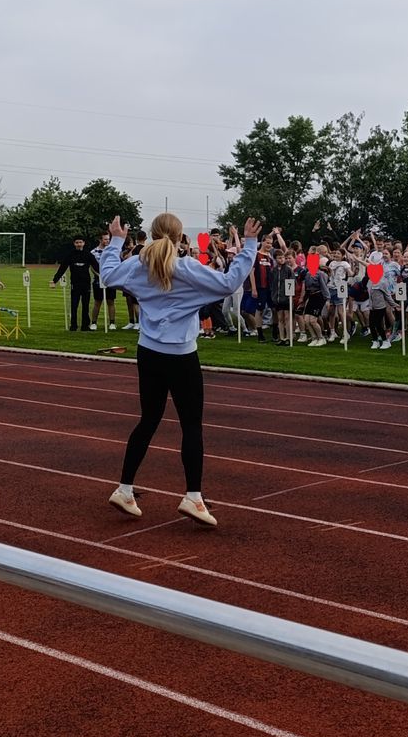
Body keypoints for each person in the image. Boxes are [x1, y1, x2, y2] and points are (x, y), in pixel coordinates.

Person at [98, 213, 266, 529]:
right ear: (179, 238)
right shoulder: (186, 267)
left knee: (148, 420)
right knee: (191, 426)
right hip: (181, 355)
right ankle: (193, 497)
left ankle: (125, 488)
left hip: (148, 353)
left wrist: (117, 240)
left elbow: (107, 275)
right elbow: (230, 283)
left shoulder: (139, 264)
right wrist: (249, 244)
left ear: (152, 234)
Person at [52, 234, 97, 331]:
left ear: (84, 243)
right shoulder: (70, 255)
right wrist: (55, 280)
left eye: (80, 242)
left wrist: (106, 276)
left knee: (86, 305)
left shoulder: (88, 255)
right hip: (75, 284)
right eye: (77, 242)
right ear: (74, 243)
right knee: (74, 305)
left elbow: (97, 267)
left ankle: (85, 326)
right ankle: (73, 325)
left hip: (86, 283)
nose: (79, 244)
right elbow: (62, 268)